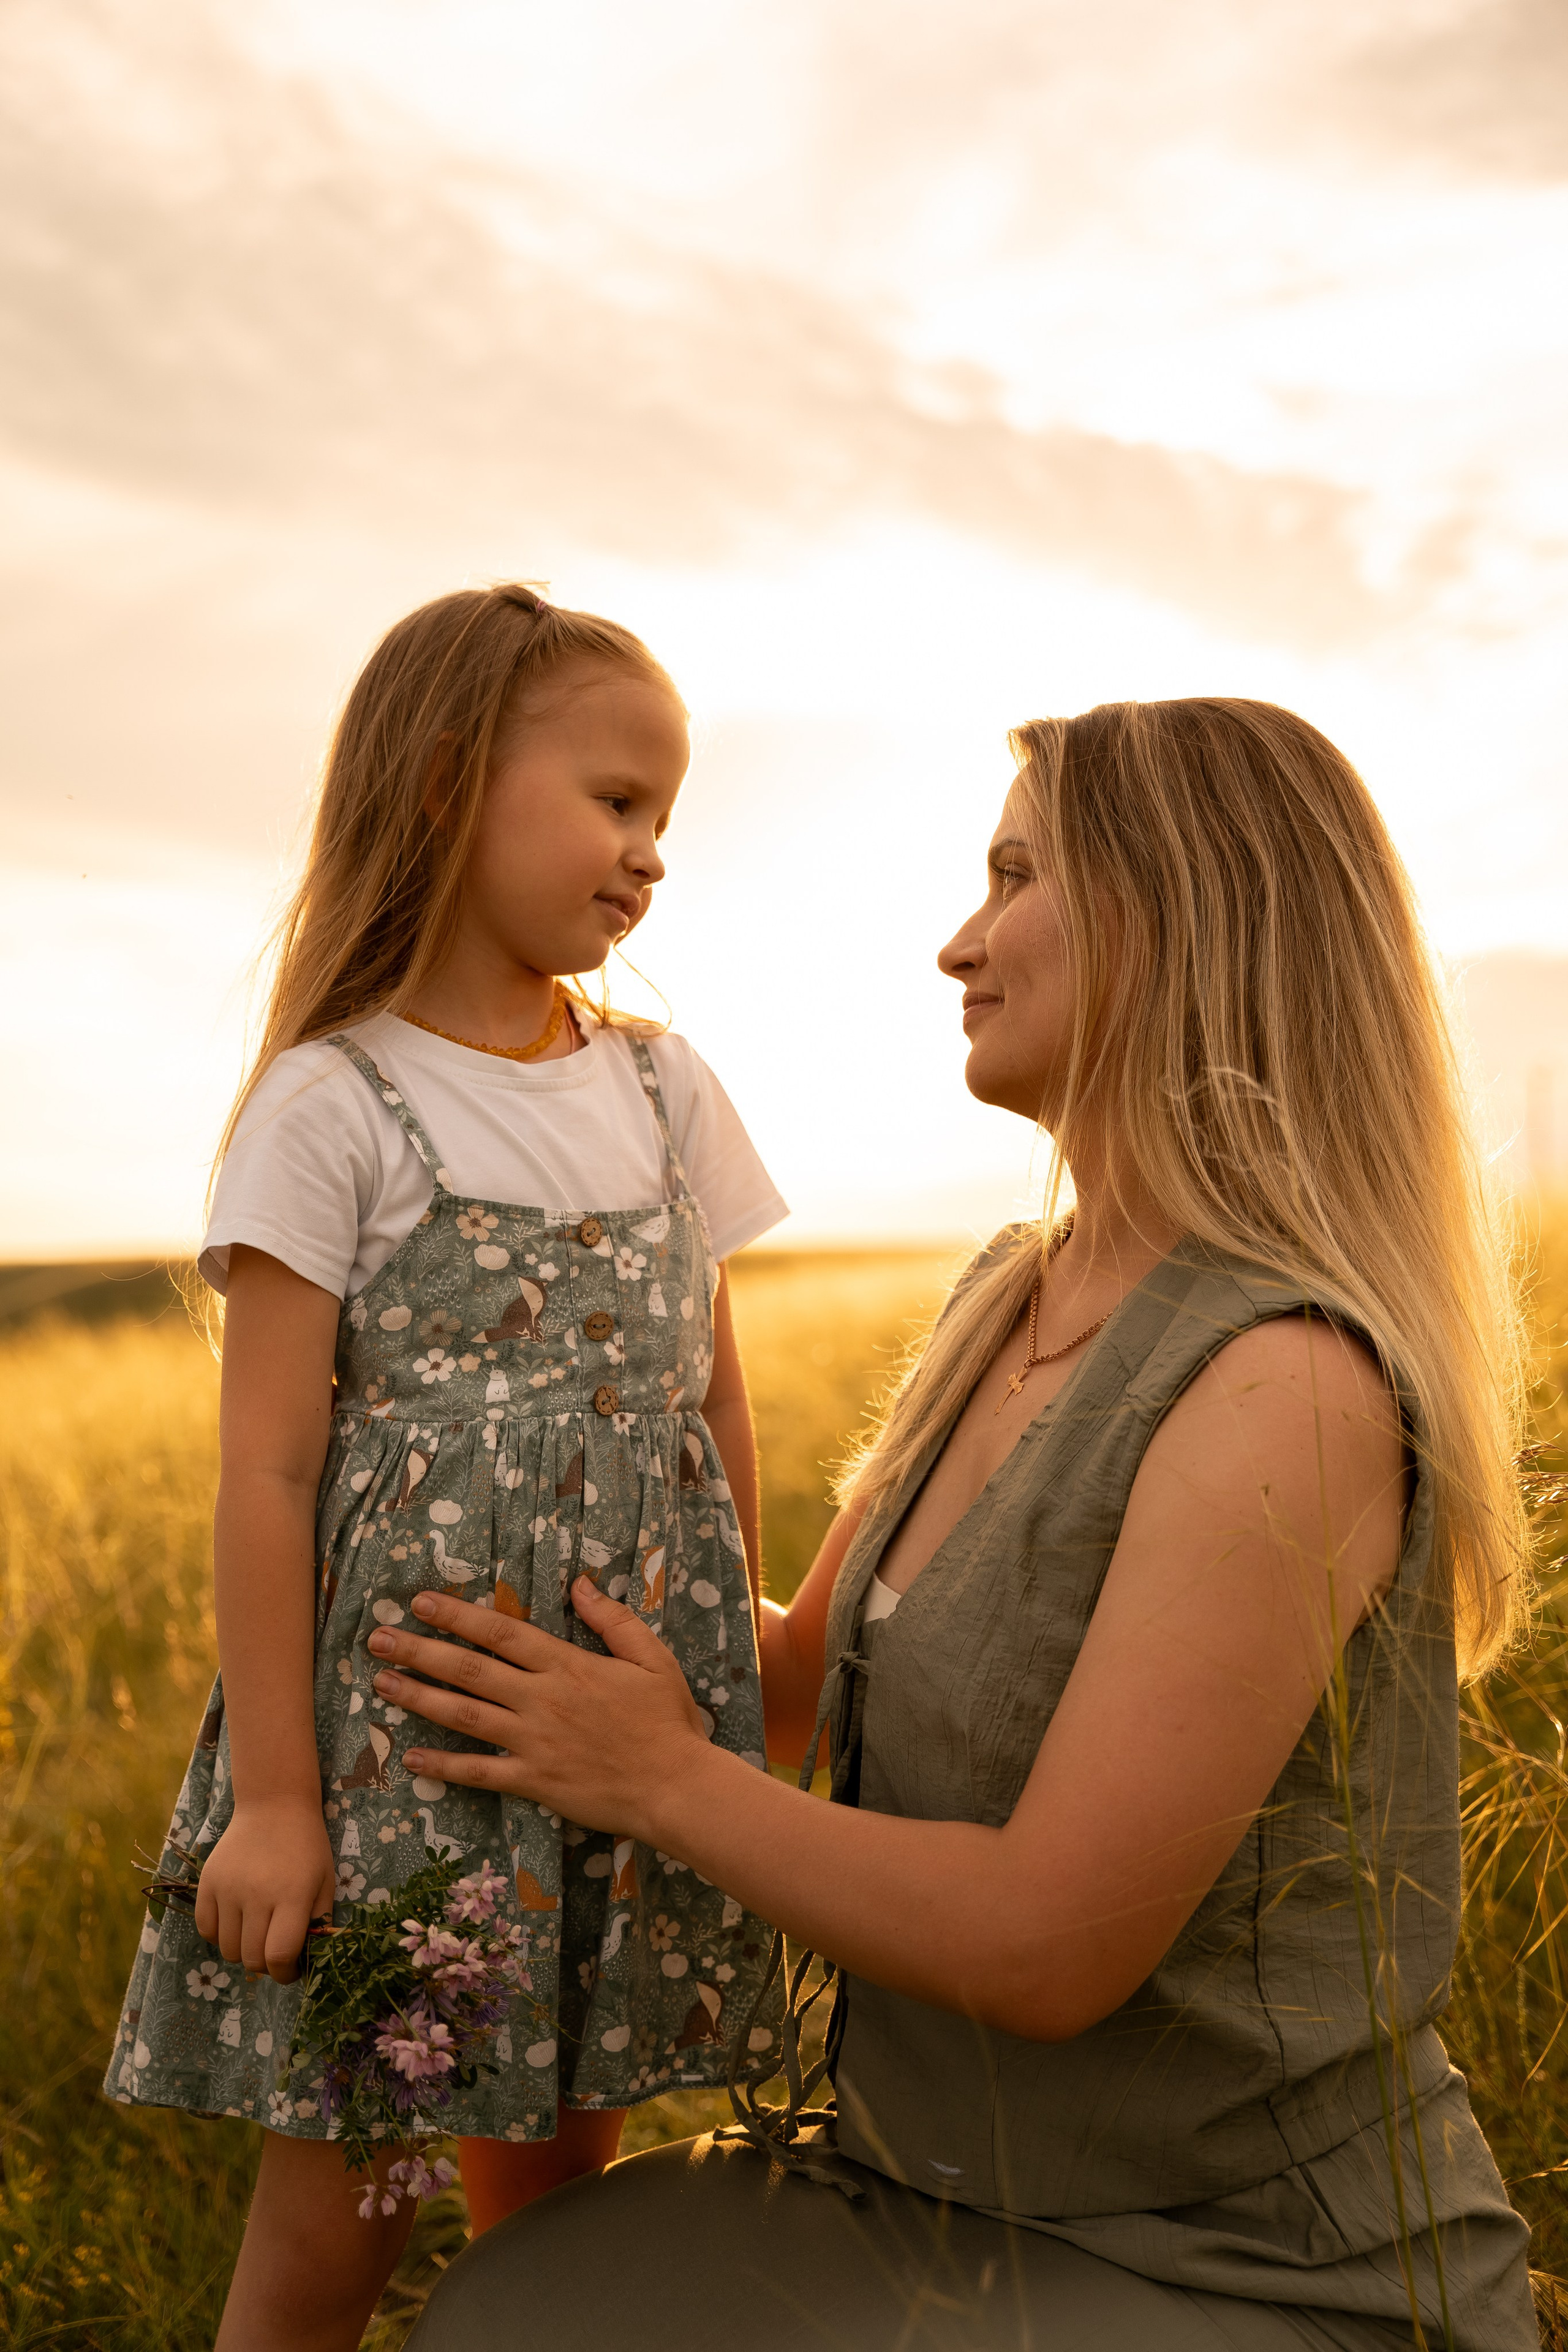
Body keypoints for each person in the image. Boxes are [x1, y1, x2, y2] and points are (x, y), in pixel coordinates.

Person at [377, 700, 1539, 2352]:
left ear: (1182, 911)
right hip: (913, 2186)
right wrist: (448, 1582)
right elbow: (797, 1686)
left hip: (1242, 2266)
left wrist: (658, 1779)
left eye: (1014, 876)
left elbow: (1049, 1946)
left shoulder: (1286, 1379)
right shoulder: (1012, 1293)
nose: (959, 945)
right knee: (498, 2305)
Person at [104, 586, 790, 2352]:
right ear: (443, 784)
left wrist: (721, 1694)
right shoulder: (336, 1103)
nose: (649, 855)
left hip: (618, 1732)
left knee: (556, 2214)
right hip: (410, 1756)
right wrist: (279, 1803)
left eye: (665, 816)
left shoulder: (664, 1091)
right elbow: (266, 1478)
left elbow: (712, 1422)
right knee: (346, 2208)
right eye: (615, 801)